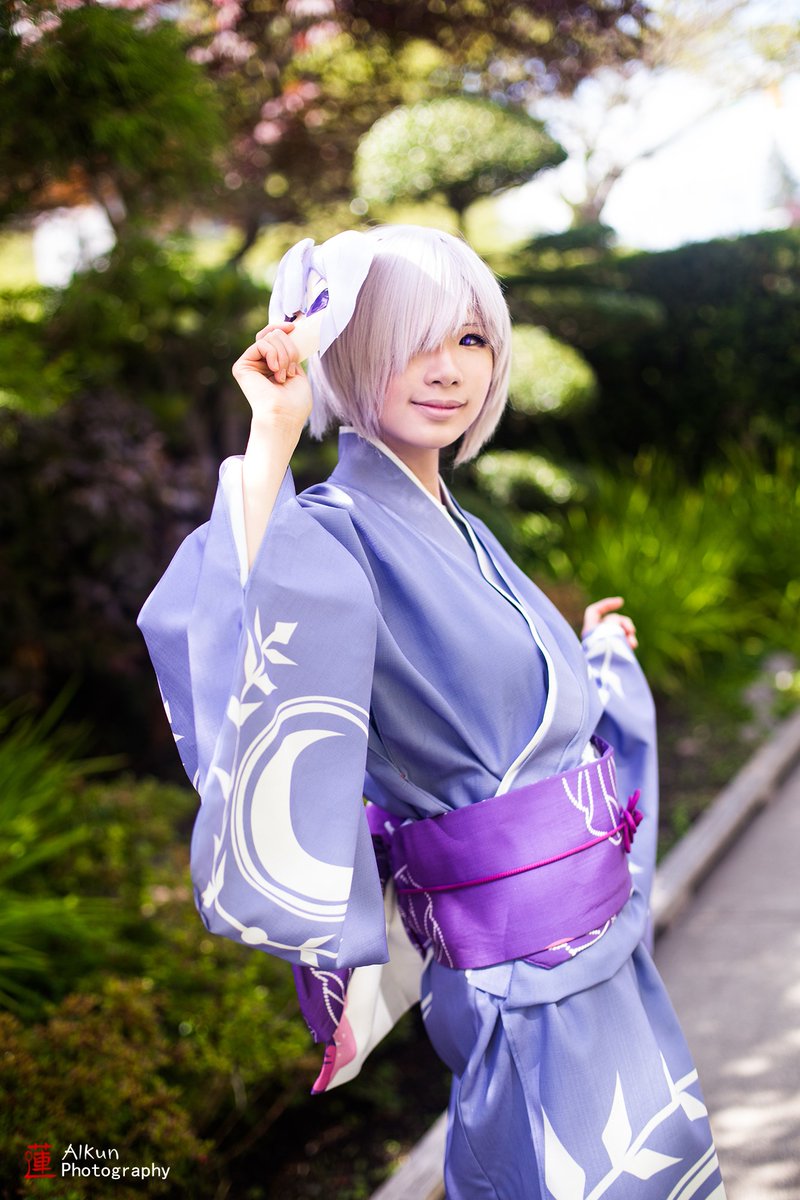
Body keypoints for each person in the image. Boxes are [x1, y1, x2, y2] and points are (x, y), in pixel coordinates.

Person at [138, 225, 725, 1199]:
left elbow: (515, 714)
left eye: (470, 339)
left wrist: (587, 665)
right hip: (516, 974)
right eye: (411, 341)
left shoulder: (464, 526)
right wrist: (272, 433)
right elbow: (244, 620)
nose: (448, 368)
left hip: (598, 951)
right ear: (349, 355)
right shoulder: (330, 532)